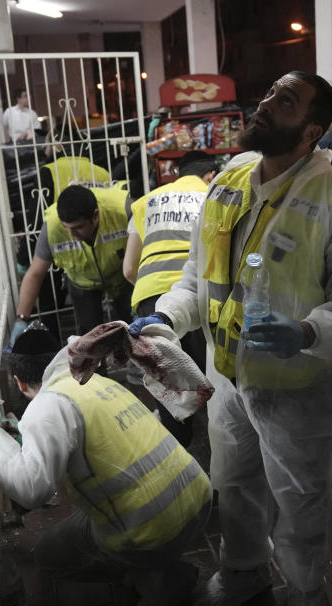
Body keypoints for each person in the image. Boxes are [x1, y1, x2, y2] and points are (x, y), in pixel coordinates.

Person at [131, 71, 332, 606]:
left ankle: (308, 592)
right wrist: (167, 316)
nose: (263, 105)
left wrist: (307, 332)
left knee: (302, 497)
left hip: (298, 386)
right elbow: (197, 276)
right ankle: (244, 572)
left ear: (312, 130)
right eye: (268, 94)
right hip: (227, 375)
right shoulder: (229, 181)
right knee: (233, 484)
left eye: (282, 101)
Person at [0, 328, 211, 606]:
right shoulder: (94, 381)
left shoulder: (45, 407)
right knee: (95, 518)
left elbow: (32, 490)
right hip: (198, 500)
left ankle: (158, 581)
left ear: (18, 381)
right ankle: (159, 565)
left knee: (49, 552)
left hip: (150, 531)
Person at [122, 150, 217, 445]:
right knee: (210, 374)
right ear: (210, 176)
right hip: (199, 295)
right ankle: (220, 449)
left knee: (167, 381)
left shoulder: (146, 201)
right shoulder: (214, 195)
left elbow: (128, 269)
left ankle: (180, 451)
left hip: (151, 298)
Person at [11, 184, 131, 344]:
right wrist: (21, 320)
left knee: (134, 328)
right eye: (66, 228)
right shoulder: (52, 228)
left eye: (78, 227)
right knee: (90, 341)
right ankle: (97, 369)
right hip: (82, 283)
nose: (72, 234)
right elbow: (35, 274)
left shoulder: (123, 211)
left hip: (122, 278)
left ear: (95, 216)